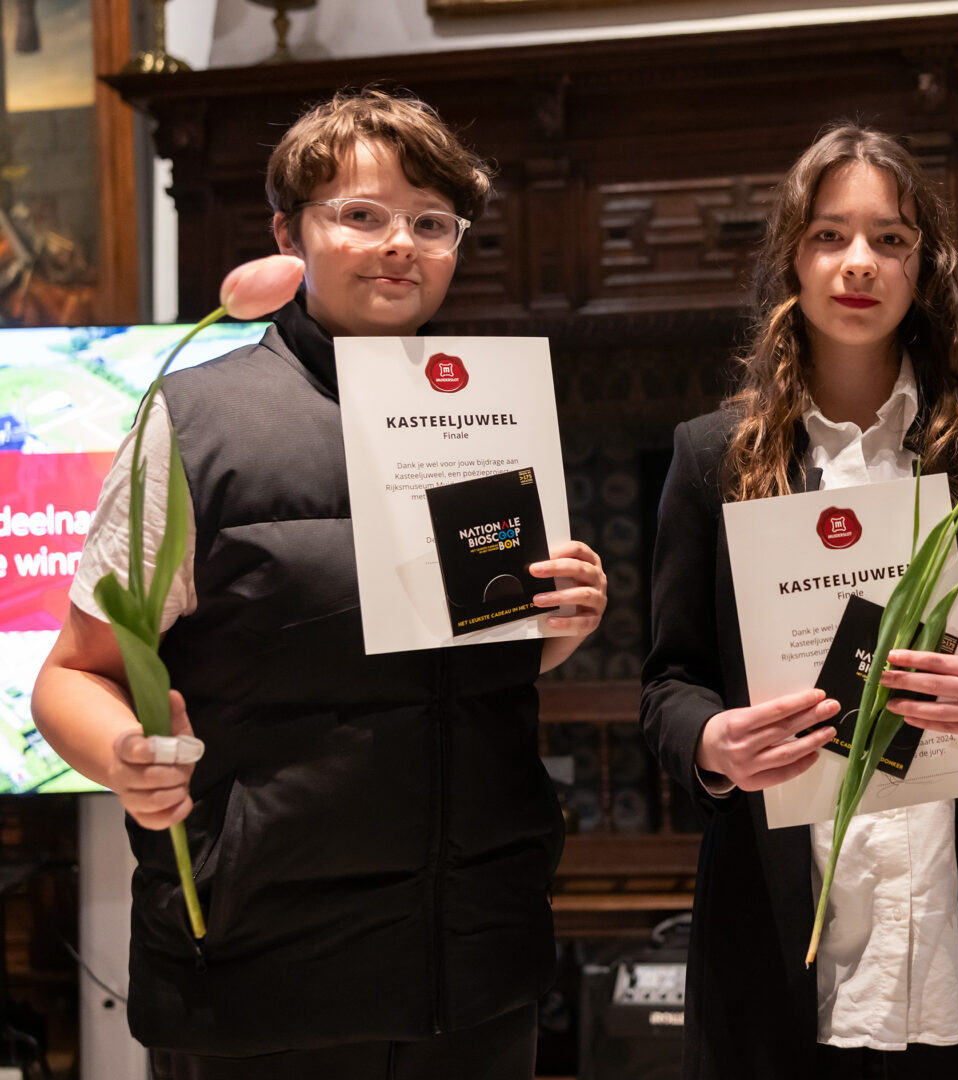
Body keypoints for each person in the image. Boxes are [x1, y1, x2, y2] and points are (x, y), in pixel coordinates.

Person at [32, 89, 606, 1079]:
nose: (400, 245)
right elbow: (72, 673)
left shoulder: (490, 411)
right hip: (263, 978)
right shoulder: (197, 421)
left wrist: (558, 621)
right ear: (289, 234)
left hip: (469, 971)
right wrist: (124, 754)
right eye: (362, 214)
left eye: (431, 223)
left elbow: (456, 667)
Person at [640, 124, 958, 1080]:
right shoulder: (712, 458)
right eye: (830, 235)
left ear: (926, 265)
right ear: (790, 256)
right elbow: (670, 683)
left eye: (891, 239)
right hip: (782, 924)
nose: (859, 264)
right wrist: (714, 743)